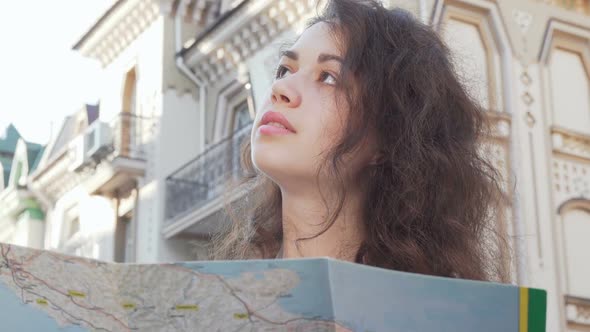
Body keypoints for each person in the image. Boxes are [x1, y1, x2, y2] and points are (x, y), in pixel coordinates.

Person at [213, 0, 510, 282]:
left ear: (390, 133)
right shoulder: (220, 304)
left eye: (328, 77)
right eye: (284, 70)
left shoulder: (440, 313)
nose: (280, 88)